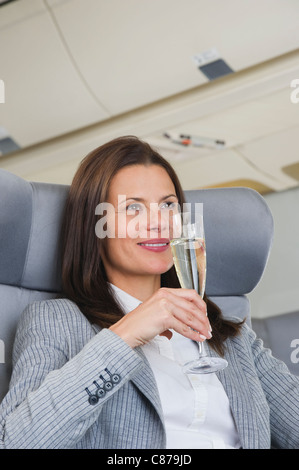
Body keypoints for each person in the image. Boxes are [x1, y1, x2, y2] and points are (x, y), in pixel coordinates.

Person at [0, 136, 299, 449]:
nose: (158, 223)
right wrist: (124, 337)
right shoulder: (58, 321)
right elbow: (17, 442)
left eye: (168, 205)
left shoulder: (231, 336)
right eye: (132, 208)